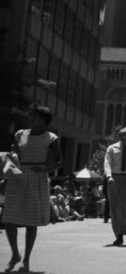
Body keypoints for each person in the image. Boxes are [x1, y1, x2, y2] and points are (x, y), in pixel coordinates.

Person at [3, 104, 63, 273]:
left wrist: (44, 169)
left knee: (31, 221)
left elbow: (60, 162)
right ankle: (15, 254)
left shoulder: (50, 138)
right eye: (30, 115)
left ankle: (26, 260)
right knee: (8, 218)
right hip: (17, 176)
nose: (30, 118)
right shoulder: (20, 134)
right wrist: (7, 175)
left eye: (34, 116)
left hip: (37, 178)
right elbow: (13, 158)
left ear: (43, 120)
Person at [103, 127, 126, 245]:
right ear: (119, 136)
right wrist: (109, 176)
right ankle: (119, 235)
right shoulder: (112, 148)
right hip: (113, 178)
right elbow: (107, 162)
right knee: (114, 207)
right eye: (122, 135)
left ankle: (122, 231)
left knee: (121, 205)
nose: (125, 138)